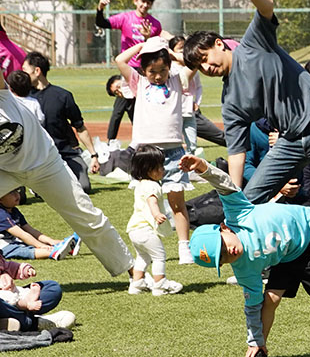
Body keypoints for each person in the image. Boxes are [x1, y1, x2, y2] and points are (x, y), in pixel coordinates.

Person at [182, 0, 310, 205]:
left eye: (205, 58)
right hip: (290, 139)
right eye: (199, 66)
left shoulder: (254, 43)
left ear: (218, 44)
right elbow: (236, 153)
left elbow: (266, 7)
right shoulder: (230, 100)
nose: (206, 67)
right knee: (251, 197)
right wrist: (235, 198)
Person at [185, 154, 310, 357]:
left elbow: (224, 184)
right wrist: (253, 340)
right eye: (223, 258)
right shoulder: (243, 268)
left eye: (224, 246)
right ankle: (260, 348)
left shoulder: (238, 214)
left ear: (224, 228)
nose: (230, 253)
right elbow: (252, 306)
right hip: (286, 254)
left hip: (309, 233)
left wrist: (202, 167)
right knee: (269, 299)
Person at [0, 66, 133, 278]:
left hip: (44, 162)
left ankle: (132, 270)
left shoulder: (1, 93)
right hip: (5, 170)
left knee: (84, 215)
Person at [114, 38, 194, 265]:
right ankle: (147, 248)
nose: (158, 76)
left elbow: (191, 62)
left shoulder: (178, 80)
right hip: (146, 152)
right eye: (152, 71)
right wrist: (143, 47)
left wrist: (167, 51)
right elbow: (120, 59)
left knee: (177, 203)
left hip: (174, 151)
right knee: (145, 203)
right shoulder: (138, 82)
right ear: (143, 69)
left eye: (162, 70)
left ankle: (183, 247)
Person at [24, 52, 101, 194]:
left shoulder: (63, 95)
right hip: (38, 157)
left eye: (25, 71)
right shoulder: (24, 98)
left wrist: (93, 155)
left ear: (37, 71)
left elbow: (80, 126)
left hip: (65, 153)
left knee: (83, 187)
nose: (23, 75)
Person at [125, 144, 183, 296]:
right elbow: (152, 201)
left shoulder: (140, 184)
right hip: (146, 230)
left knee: (143, 256)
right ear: (147, 169)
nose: (162, 170)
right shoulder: (152, 186)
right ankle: (160, 284)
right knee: (159, 256)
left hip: (133, 229)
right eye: (158, 168)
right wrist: (157, 214)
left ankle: (136, 283)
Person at [96, 0, 171, 68]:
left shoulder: (155, 24)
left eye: (148, 3)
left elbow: (156, 47)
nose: (145, 5)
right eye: (143, 1)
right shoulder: (124, 18)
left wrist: (147, 38)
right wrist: (100, 8)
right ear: (135, 1)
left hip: (147, 67)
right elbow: (101, 23)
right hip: (128, 66)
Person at [0, 188, 77, 260]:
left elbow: (30, 230)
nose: (17, 195)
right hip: (3, 247)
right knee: (23, 250)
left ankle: (66, 248)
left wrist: (51, 241)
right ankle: (53, 252)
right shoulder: (1, 213)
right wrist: (41, 246)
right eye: (11, 193)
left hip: (14, 241)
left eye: (17, 190)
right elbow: (22, 234)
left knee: (30, 243)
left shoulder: (14, 211)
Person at [0, 256, 69, 332]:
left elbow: (8, 266)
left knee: (52, 287)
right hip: (6, 300)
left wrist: (24, 270)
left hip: (15, 294)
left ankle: (16, 317)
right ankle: (31, 322)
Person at [105, 73, 136, 143]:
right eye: (116, 92)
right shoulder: (123, 95)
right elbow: (116, 115)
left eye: (119, 86)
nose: (120, 91)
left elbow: (116, 115)